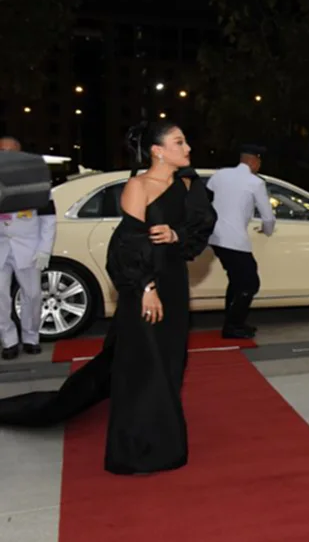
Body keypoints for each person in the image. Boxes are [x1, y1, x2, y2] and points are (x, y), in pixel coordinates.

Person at [0, 121, 217, 475]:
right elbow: (125, 246)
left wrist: (176, 235)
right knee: (144, 365)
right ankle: (137, 450)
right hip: (143, 286)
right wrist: (146, 288)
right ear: (158, 151)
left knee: (170, 362)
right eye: (179, 142)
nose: (188, 147)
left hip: (175, 285)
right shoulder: (138, 186)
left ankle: (162, 438)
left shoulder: (189, 185)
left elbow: (201, 226)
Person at [206, 144, 275, 339]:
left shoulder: (219, 175)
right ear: (253, 161)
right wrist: (267, 231)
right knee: (250, 283)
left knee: (237, 281)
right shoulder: (255, 183)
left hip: (215, 237)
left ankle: (234, 322)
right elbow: (268, 217)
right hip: (235, 240)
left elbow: (205, 201)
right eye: (259, 161)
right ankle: (233, 326)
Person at [0, 136, 56, 360]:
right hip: (1, 246)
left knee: (32, 295)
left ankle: (31, 337)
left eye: (11, 151)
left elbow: (48, 219)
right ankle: (9, 341)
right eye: (2, 151)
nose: (6, 156)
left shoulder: (36, 181)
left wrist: (44, 250)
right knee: (0, 297)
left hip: (28, 247)